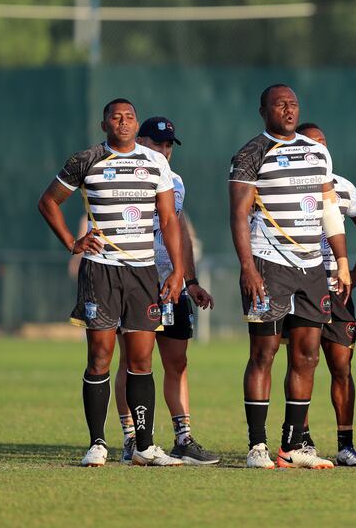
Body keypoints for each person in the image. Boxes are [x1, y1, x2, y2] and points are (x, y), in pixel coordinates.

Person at [37, 98, 184, 467]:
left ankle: (145, 447)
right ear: (105, 125)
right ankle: (97, 444)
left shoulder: (155, 164)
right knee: (100, 356)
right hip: (99, 270)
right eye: (115, 117)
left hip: (143, 271)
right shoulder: (85, 160)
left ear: (137, 124)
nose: (123, 122)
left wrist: (179, 271)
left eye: (129, 117)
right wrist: (72, 242)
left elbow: (168, 221)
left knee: (141, 359)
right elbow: (48, 202)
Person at [229, 84, 351, 469]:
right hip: (268, 264)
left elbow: (328, 207)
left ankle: (292, 443)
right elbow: (238, 214)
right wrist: (248, 266)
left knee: (307, 355)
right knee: (263, 353)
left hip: (312, 267)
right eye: (280, 103)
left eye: (293, 103)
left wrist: (343, 259)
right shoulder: (251, 153)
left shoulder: (317, 151)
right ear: (262, 109)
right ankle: (257, 446)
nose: (288, 109)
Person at [113, 116, 219, 466]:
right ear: (140, 142)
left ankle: (183, 438)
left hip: (172, 285)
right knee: (131, 362)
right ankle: (132, 437)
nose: (164, 150)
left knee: (178, 362)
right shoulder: (125, 176)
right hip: (135, 283)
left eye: (169, 145)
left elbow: (180, 231)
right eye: (157, 143)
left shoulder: (175, 182)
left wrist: (189, 279)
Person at [281, 122, 356, 467]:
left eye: (323, 142)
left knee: (341, 366)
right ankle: (300, 439)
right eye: (312, 142)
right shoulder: (285, 183)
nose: (319, 148)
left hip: (336, 290)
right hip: (301, 285)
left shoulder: (343, 187)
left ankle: (346, 444)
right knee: (301, 363)